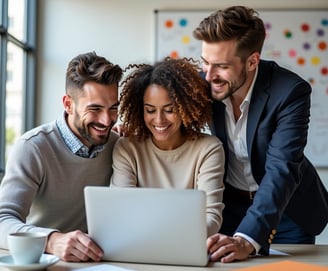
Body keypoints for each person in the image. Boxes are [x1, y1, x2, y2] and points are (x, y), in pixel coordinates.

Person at [192, 5, 328, 263]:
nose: (208, 76)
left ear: (252, 61)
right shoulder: (204, 83)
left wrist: (247, 238)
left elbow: (282, 168)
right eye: (205, 62)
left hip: (287, 211)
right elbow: (165, 113)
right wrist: (131, 128)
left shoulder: (290, 92)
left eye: (220, 66)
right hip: (229, 206)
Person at [0, 52, 123, 262]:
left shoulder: (117, 144)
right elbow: (3, 220)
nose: (106, 120)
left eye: (113, 108)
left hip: (95, 263)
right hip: (42, 262)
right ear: (68, 104)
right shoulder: (33, 148)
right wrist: (51, 240)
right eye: (95, 109)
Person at [110, 57, 225, 237]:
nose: (159, 120)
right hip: (139, 243)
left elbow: (211, 216)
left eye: (169, 110)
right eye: (150, 110)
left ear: (185, 107)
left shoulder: (208, 149)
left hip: (187, 245)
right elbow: (121, 211)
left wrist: (175, 237)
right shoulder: (127, 148)